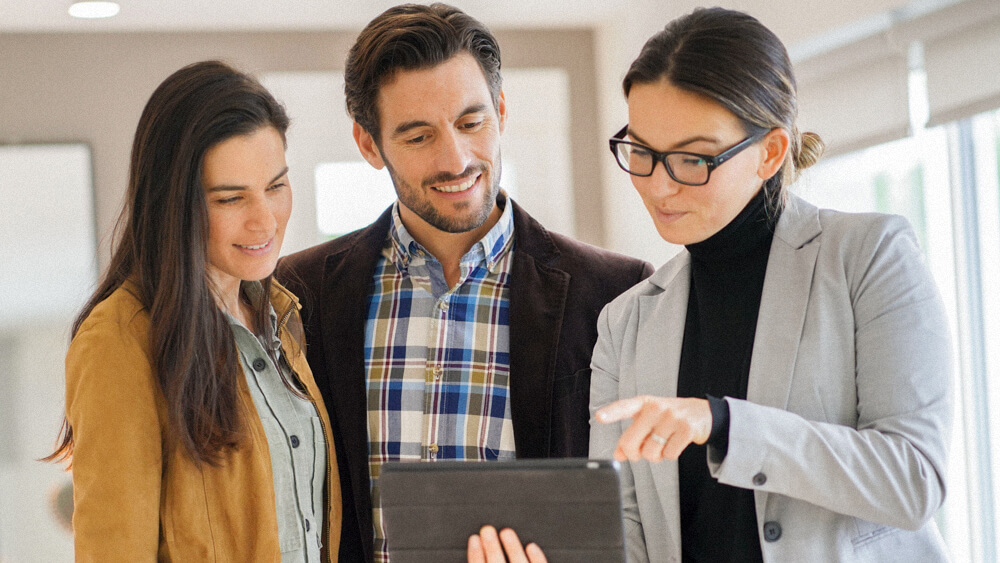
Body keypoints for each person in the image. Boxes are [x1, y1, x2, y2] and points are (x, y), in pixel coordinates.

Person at [275, 4, 653, 561]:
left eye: (472, 123)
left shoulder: (616, 293)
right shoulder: (298, 293)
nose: (456, 159)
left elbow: (651, 507)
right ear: (368, 143)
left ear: (500, 110)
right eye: (417, 136)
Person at [586, 7, 952, 562]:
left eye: (692, 158)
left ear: (771, 152)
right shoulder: (626, 321)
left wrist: (724, 423)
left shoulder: (869, 257)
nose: (659, 185)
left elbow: (913, 480)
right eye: (641, 152)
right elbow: (622, 525)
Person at [45, 61, 341, 562]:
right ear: (173, 205)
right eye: (230, 198)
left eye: (275, 186)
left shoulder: (280, 316)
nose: (265, 220)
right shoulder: (119, 340)